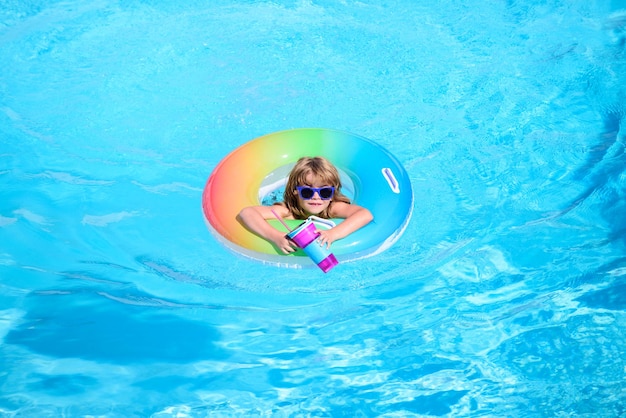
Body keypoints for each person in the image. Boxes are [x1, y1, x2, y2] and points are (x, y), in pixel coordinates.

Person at [237, 156, 373, 254]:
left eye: (325, 192)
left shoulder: (332, 208)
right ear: (295, 191)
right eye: (307, 192)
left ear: (332, 193)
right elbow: (246, 213)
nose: (316, 197)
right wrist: (275, 236)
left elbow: (365, 215)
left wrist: (333, 234)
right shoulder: (287, 211)